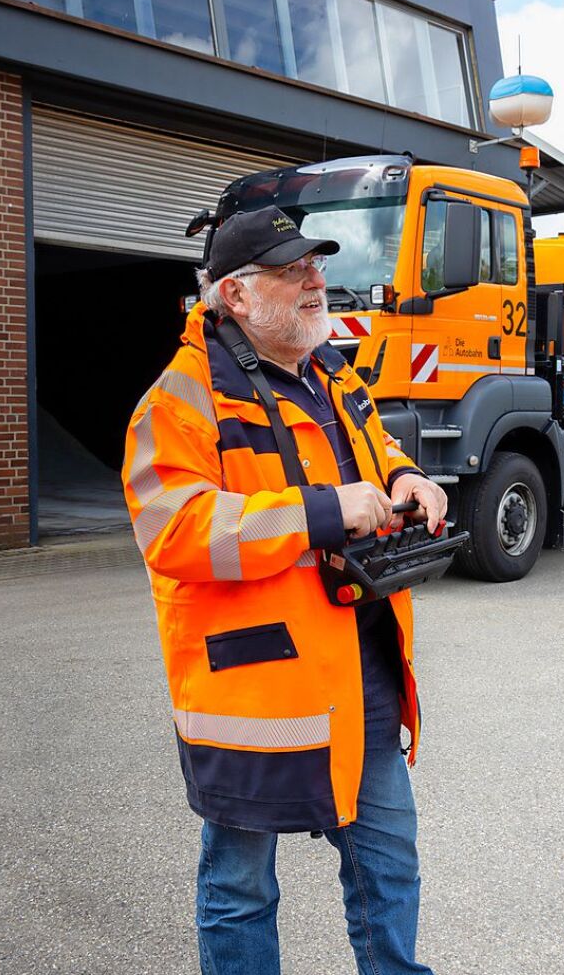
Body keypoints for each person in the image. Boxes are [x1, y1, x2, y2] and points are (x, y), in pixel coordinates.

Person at [122, 205, 447, 975]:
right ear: (233, 295)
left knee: (388, 868)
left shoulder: (328, 367)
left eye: (316, 263)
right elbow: (175, 530)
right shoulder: (178, 401)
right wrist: (322, 511)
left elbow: (375, 442)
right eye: (291, 267)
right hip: (252, 689)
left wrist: (403, 476)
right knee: (239, 885)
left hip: (356, 673)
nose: (315, 278)